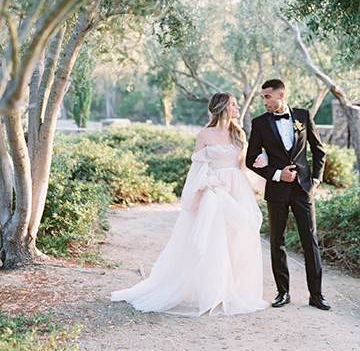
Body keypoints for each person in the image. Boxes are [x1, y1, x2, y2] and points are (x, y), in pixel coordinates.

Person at [111, 92, 268, 316]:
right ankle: (213, 291)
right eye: (233, 104)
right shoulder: (204, 134)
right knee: (214, 240)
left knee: (237, 239)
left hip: (236, 189)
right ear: (222, 107)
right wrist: (207, 185)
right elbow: (198, 167)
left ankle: (232, 290)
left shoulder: (238, 133)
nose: (237, 108)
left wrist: (261, 163)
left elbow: (242, 165)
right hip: (214, 190)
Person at [246, 78, 331, 311]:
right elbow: (250, 160)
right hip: (277, 190)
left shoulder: (303, 116)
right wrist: (276, 174)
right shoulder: (260, 123)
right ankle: (283, 293)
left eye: (267, 97)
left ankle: (316, 295)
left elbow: (318, 150)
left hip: (303, 189)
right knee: (277, 242)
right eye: (263, 97)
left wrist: (315, 178)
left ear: (281, 95)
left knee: (310, 241)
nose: (264, 101)